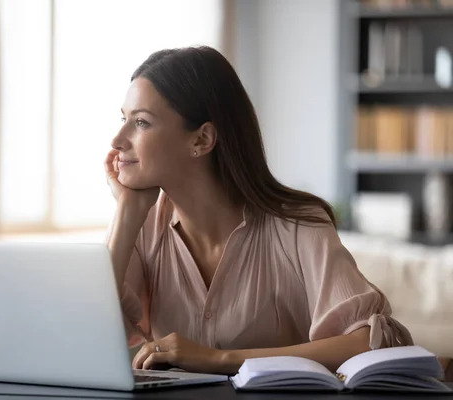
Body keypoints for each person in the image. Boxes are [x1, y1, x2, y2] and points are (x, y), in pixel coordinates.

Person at [104, 46, 412, 376]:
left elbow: (369, 343)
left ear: (202, 139)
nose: (118, 139)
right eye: (124, 119)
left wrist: (218, 359)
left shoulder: (297, 226)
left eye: (141, 122)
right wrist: (126, 215)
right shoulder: (142, 225)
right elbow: (88, 338)